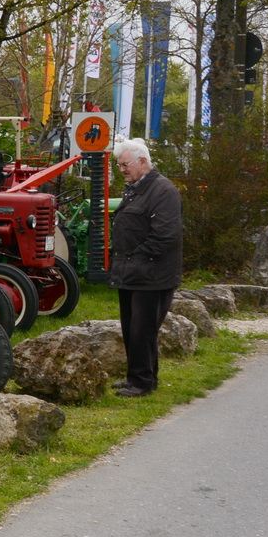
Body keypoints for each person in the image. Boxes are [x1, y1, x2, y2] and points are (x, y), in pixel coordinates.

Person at [108, 138, 183, 398]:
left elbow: (166, 235)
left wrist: (136, 258)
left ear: (142, 161)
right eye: (119, 166)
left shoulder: (163, 190)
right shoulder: (135, 188)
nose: (122, 170)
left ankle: (141, 382)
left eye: (125, 165)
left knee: (143, 329)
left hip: (152, 275)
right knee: (131, 327)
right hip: (133, 272)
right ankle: (140, 377)